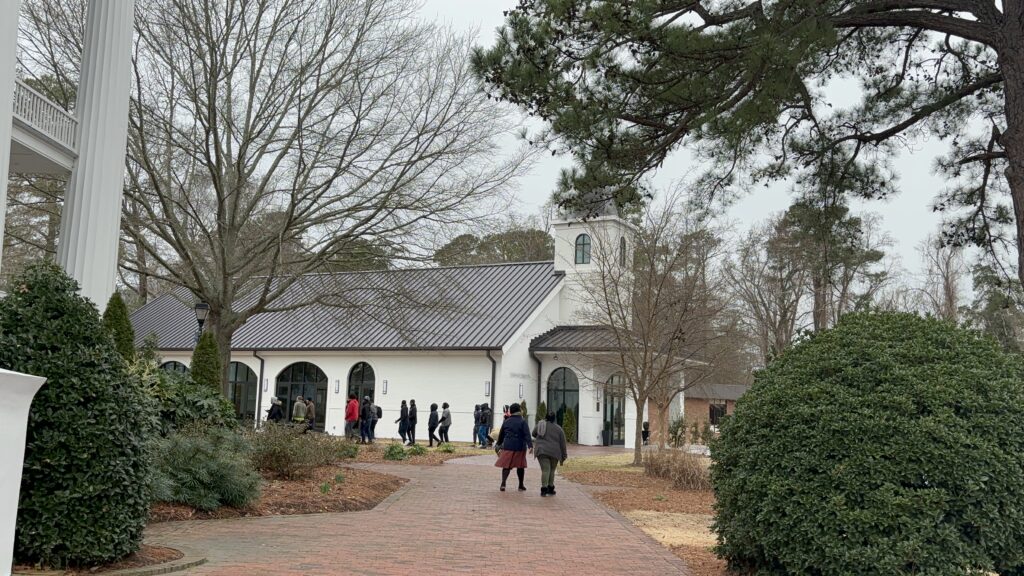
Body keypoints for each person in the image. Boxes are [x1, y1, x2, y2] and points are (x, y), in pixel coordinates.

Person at [495, 403, 532, 492]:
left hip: (508, 446)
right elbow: (527, 434)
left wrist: (498, 444)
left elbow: (501, 435)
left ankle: (503, 483)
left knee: (506, 466)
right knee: (520, 466)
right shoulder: (522, 421)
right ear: (519, 410)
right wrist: (530, 445)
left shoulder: (506, 421)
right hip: (520, 446)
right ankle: (520, 485)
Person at [533, 412, 569, 497]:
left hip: (541, 451)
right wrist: (564, 455)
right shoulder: (559, 429)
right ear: (554, 418)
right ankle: (550, 488)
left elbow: (533, 433)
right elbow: (563, 443)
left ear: (546, 417)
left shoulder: (540, 425)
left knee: (545, 470)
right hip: (554, 452)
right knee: (552, 470)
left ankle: (544, 489)